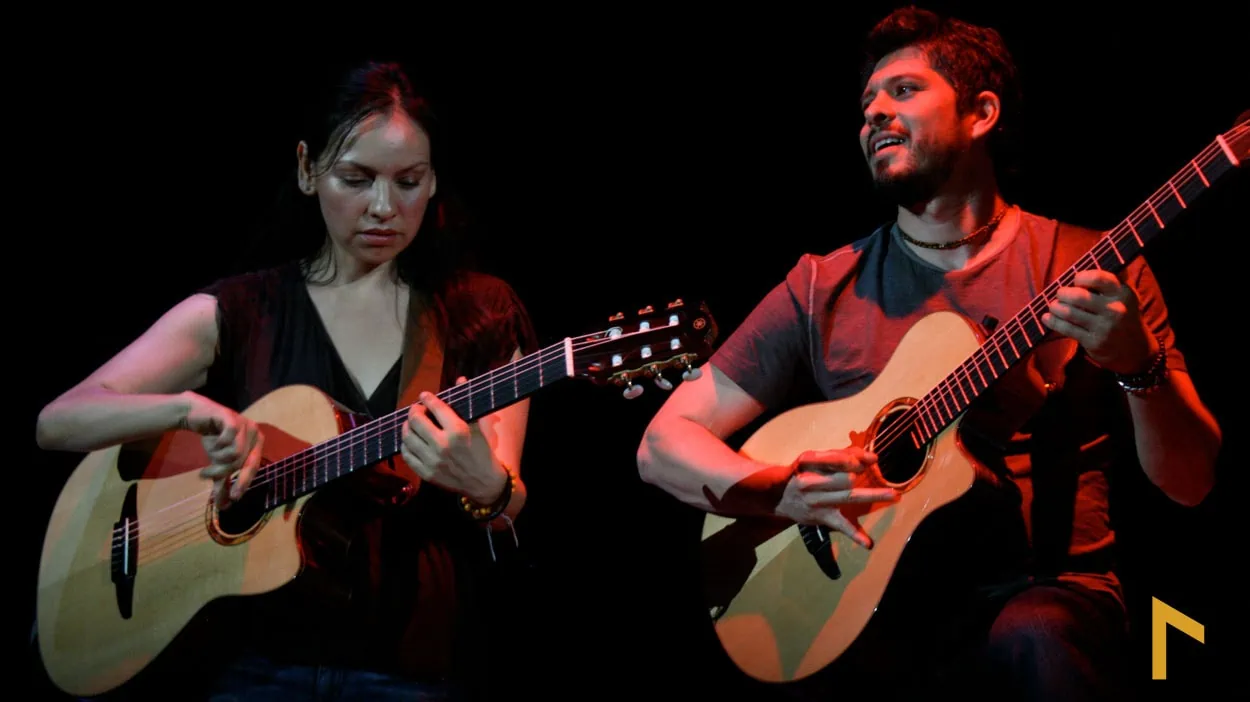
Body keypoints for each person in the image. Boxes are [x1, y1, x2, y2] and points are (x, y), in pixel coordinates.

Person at [636, 6, 1221, 701]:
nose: (874, 114)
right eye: (866, 104)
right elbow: (662, 443)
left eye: (904, 91)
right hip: (873, 607)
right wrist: (781, 490)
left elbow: (1191, 483)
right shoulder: (822, 283)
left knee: (1033, 638)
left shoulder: (1090, 268)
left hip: (1042, 597)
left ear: (981, 113)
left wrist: (1139, 364)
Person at [35, 60, 538, 701]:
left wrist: (488, 485)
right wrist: (185, 411)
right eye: (356, 179)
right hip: (250, 668)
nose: (384, 207)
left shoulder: (481, 313)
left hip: (410, 668)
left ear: (434, 179)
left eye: (408, 181)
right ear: (307, 170)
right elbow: (59, 420)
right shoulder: (243, 310)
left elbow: (506, 510)